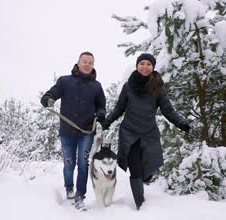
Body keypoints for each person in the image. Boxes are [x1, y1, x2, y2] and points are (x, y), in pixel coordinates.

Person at [101, 53, 191, 210]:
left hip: (149, 134)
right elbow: (119, 108)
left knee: (148, 170)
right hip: (130, 134)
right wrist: (107, 121)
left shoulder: (158, 87)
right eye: (142, 63)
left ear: (153, 67)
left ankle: (144, 183)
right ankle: (140, 204)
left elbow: (168, 110)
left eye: (148, 64)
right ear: (137, 66)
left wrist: (181, 123)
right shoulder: (128, 87)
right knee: (135, 170)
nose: (145, 66)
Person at [41, 51, 106, 211]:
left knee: (83, 164)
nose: (87, 64)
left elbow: (101, 105)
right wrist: (47, 98)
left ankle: (80, 196)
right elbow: (53, 93)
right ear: (78, 62)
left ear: (93, 65)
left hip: (86, 132)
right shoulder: (64, 81)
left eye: (90, 62)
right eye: (84, 61)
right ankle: (69, 187)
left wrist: (101, 113)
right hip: (67, 131)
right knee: (69, 163)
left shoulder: (97, 86)